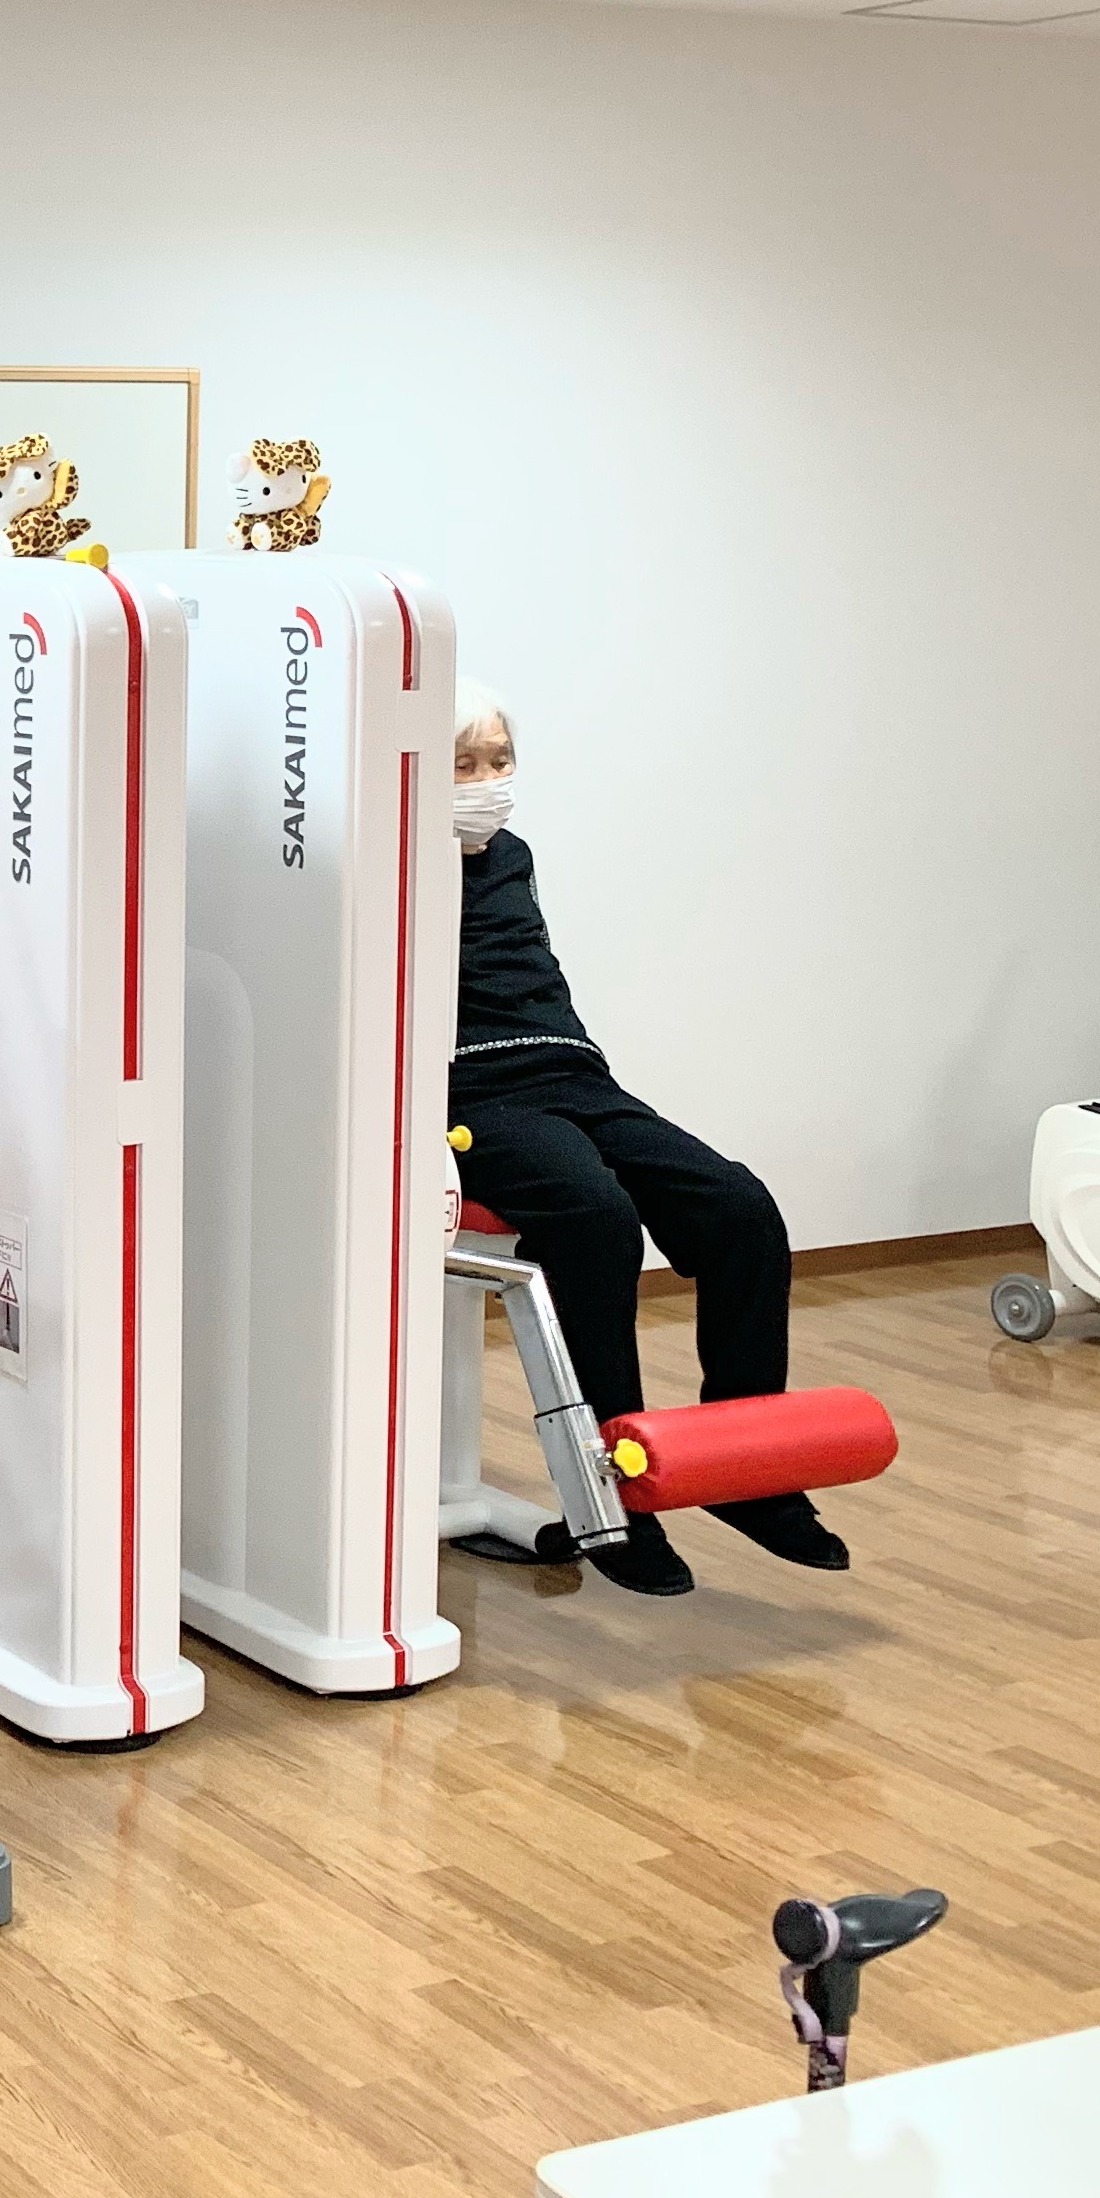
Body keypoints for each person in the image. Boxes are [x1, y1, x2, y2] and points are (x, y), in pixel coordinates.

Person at [451, 682, 840, 1596]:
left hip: (572, 1073)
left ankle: (749, 1470)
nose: (489, 782)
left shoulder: (511, 856)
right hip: (468, 1090)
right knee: (595, 1220)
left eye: (500, 761)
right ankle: (613, 1495)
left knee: (739, 1208)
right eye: (464, 765)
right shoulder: (382, 864)